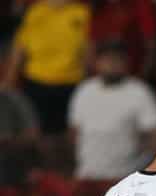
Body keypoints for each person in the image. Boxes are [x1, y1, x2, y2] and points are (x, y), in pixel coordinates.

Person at [68, 40, 156, 183]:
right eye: (107, 59)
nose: (112, 64)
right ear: (97, 62)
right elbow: (74, 133)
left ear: (126, 63)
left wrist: (139, 168)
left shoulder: (139, 91)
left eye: (117, 59)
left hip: (125, 179)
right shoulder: (84, 91)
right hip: (87, 177)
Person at [1, 0, 90, 133]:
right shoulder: (35, 12)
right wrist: (9, 79)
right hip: (36, 81)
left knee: (69, 131)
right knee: (37, 130)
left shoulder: (82, 13)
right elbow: (20, 48)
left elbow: (88, 50)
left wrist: (87, 81)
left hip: (71, 81)